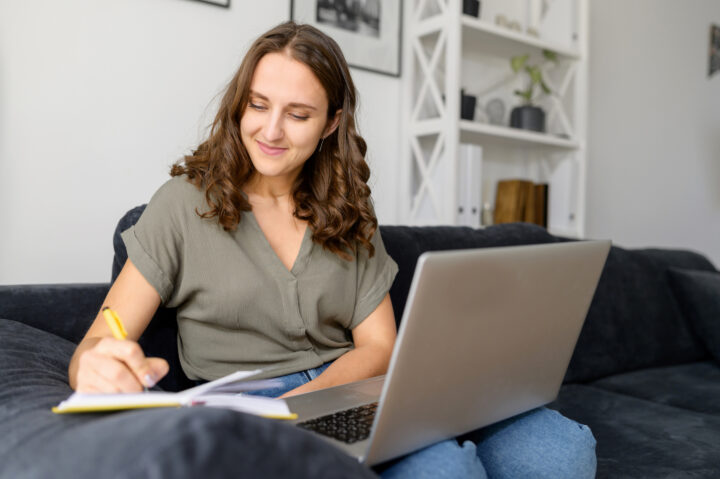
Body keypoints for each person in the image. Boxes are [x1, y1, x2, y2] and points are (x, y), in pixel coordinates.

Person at [68, 21, 596, 478]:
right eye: (257, 105)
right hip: (249, 406)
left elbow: (379, 347)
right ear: (240, 104)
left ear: (332, 123)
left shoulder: (348, 210)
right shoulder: (182, 205)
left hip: (351, 390)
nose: (270, 130)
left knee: (562, 453)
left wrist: (313, 401)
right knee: (446, 468)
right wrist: (93, 368)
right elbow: (98, 342)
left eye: (298, 114)